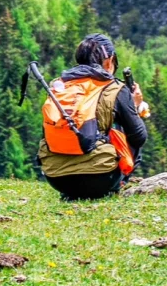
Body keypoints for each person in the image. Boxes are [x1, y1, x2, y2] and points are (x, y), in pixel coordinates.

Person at [37, 33, 149, 201]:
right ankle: (118, 186)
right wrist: (134, 106)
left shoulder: (59, 86)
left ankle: (71, 193)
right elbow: (139, 137)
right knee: (125, 132)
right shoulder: (115, 88)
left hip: (56, 178)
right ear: (109, 61)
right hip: (100, 179)